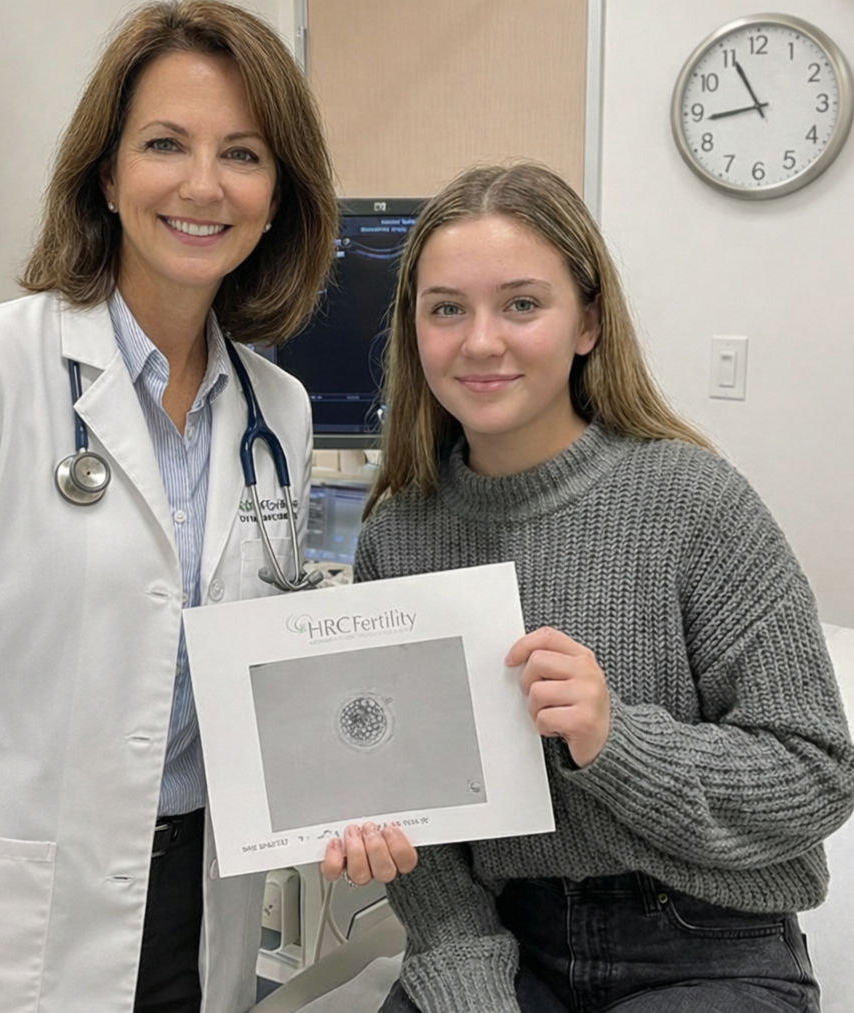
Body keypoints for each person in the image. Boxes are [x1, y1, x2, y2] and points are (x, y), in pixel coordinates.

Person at [0, 3, 339, 1011]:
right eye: (165, 144)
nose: (203, 185)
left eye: (242, 154)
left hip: (199, 915)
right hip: (4, 932)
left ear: (276, 197)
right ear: (107, 177)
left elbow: (249, 684)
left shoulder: (278, 411)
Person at [322, 163, 854, 1012]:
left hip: (704, 945)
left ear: (588, 322)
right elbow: (427, 834)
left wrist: (614, 739)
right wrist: (467, 983)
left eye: (521, 304)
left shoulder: (694, 501)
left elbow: (817, 773)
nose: (480, 341)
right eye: (446, 308)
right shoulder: (398, 538)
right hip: (504, 940)